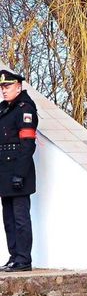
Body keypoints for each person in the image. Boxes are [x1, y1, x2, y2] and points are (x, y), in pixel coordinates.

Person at [0, 70, 38, 272]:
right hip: (4, 173)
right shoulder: (4, 109)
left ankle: (24, 259)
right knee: (8, 218)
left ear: (19, 86)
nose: (4, 91)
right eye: (2, 87)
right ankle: (14, 256)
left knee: (20, 218)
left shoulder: (25, 109)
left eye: (7, 86)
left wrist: (20, 174)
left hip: (18, 172)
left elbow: (27, 145)